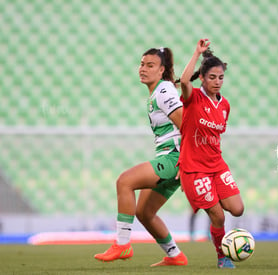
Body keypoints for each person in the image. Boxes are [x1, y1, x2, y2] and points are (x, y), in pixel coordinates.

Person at [94, 47, 188, 267]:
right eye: (142, 64)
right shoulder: (161, 91)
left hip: (175, 158)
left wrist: (186, 163)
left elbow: (187, 126)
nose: (143, 69)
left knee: (124, 181)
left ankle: (122, 244)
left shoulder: (164, 91)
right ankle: (175, 255)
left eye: (150, 65)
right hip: (173, 158)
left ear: (162, 70)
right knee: (144, 212)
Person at [178, 38, 244, 269]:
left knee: (237, 209)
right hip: (194, 168)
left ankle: (215, 210)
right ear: (203, 78)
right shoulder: (193, 97)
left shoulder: (225, 105)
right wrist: (197, 53)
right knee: (219, 217)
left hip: (217, 165)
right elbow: (184, 80)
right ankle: (221, 257)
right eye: (212, 77)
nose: (217, 82)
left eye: (221, 77)